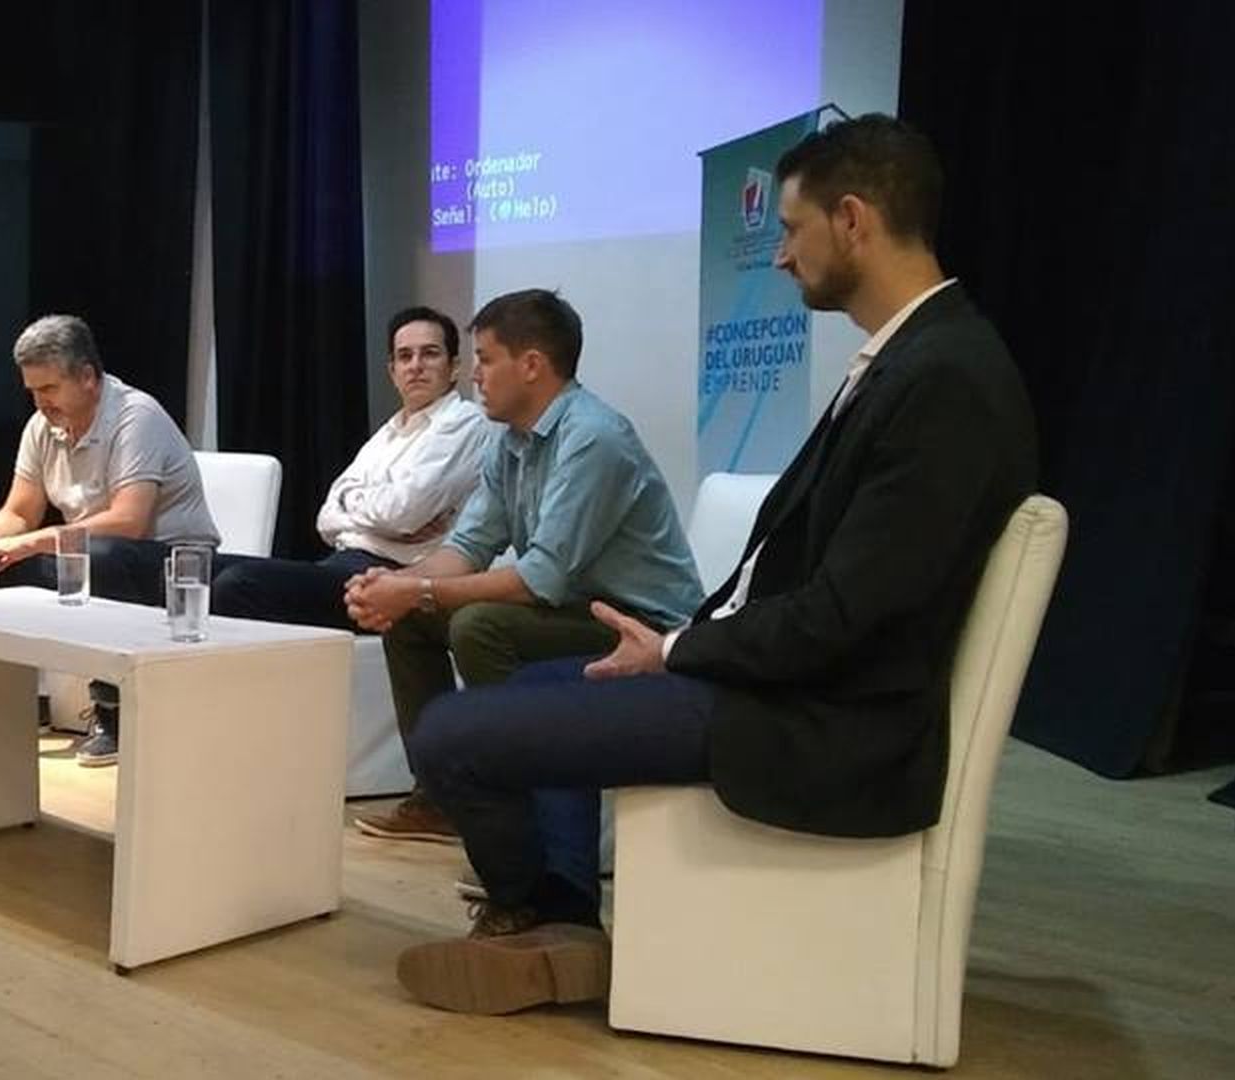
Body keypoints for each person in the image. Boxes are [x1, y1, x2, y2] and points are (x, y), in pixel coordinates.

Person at [391, 115, 1041, 1017]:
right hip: (783, 682)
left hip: (816, 719)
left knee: (451, 737)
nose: (780, 254)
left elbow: (845, 616)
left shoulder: (942, 380)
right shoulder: (921, 360)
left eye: (792, 228)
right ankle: (563, 914)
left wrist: (676, 651)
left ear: (853, 220)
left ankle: (533, 908)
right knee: (536, 683)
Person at [345, 288, 704, 847]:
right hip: (574, 608)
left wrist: (418, 589)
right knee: (414, 617)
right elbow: (468, 545)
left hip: (641, 625)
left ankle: (518, 821)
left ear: (532, 365)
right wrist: (396, 586)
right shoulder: (509, 443)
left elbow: (540, 578)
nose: (475, 376)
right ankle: (441, 798)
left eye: (486, 359)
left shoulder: (593, 437)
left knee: (480, 625)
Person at [0, 313, 220, 767]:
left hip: (175, 567)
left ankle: (114, 713)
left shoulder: (135, 416)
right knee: (3, 565)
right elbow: (20, 511)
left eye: (49, 388)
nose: (41, 403)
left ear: (87, 376)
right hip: (95, 552)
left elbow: (129, 522)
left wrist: (31, 542)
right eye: (32, 391)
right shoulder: (41, 427)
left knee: (99, 556)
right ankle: (14, 702)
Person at [209, 306, 492, 629]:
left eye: (429, 354)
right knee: (197, 571)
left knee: (239, 583)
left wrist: (352, 501)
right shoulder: (389, 432)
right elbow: (326, 519)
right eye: (405, 356)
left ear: (453, 367)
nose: (415, 366)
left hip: (394, 578)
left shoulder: (463, 423)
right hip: (342, 563)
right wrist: (376, 513)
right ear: (393, 371)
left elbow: (401, 513)